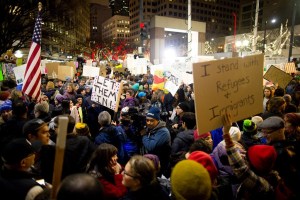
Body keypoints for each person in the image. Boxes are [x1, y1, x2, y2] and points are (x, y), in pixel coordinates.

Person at [222, 113, 280, 199]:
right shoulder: (273, 176)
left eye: (247, 157)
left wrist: (226, 133)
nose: (245, 158)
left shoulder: (261, 185)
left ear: (255, 164)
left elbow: (240, 168)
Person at [142, 107, 171, 177]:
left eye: (152, 120)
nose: (149, 123)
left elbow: (150, 146)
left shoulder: (163, 132)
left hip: (160, 166)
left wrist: (144, 136)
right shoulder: (151, 129)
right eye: (147, 120)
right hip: (151, 163)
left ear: (158, 120)